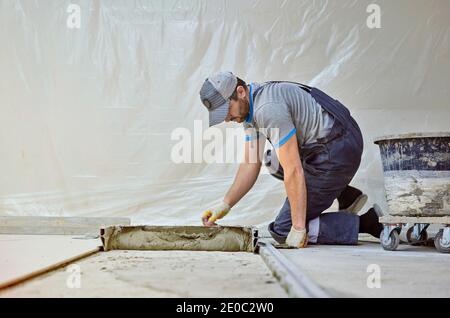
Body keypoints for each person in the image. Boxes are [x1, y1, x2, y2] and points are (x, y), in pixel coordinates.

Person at [199, 71, 383, 248]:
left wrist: (298, 227)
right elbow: (250, 163)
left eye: (226, 109)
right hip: (329, 140)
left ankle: (369, 222)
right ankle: (345, 194)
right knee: (272, 161)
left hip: (338, 148)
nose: (226, 118)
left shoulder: (266, 109)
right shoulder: (250, 108)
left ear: (240, 92)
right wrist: (225, 204)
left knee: (283, 229)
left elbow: (293, 170)